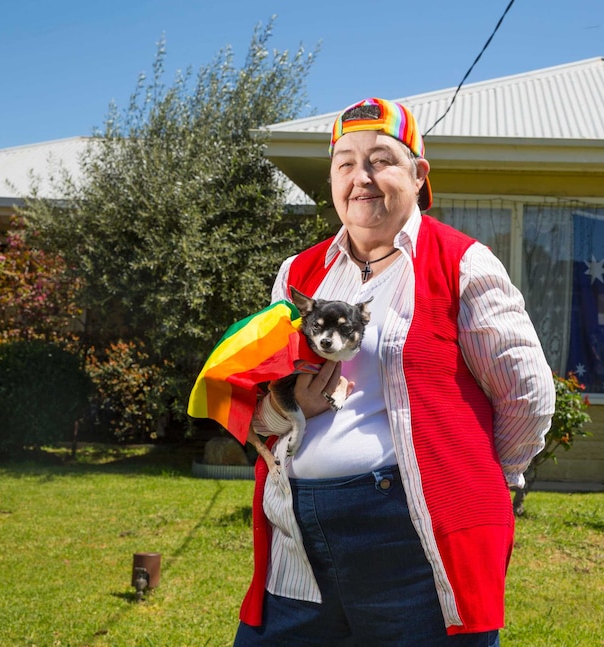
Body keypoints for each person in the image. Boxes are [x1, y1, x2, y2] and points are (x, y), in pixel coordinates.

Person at [233, 97, 555, 647]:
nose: (362, 177)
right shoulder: (298, 274)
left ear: (418, 174)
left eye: (381, 159)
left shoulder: (462, 263)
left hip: (411, 540)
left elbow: (527, 395)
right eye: (346, 163)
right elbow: (260, 390)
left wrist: (487, 480)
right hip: (296, 533)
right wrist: (287, 408)